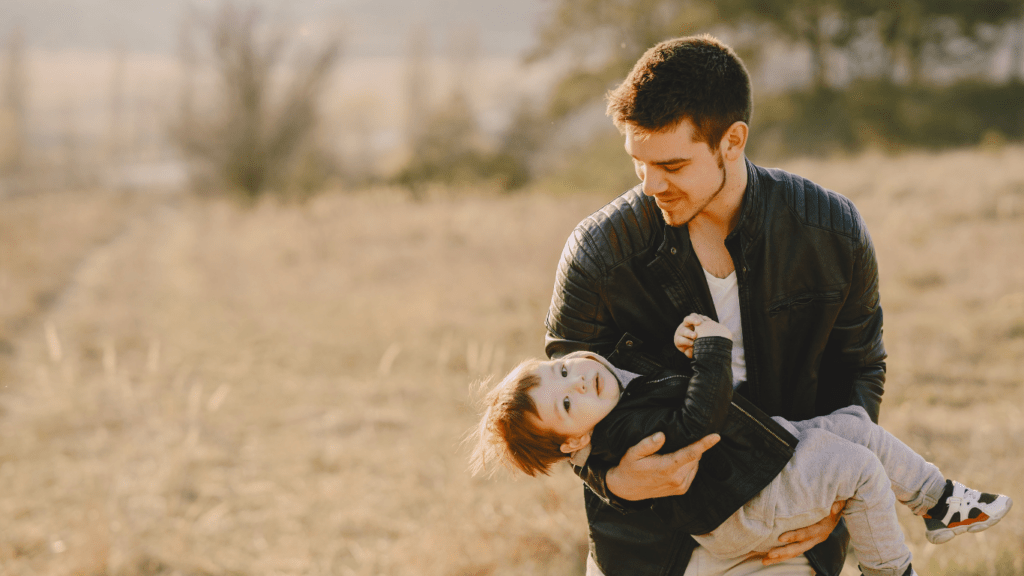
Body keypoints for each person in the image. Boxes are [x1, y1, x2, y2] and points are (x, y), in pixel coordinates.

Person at [544, 34, 888, 575]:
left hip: (790, 520)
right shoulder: (598, 252)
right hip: (648, 538)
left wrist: (836, 493)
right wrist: (609, 479)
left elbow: (859, 369)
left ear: (733, 140)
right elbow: (557, 399)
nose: (652, 184)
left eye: (674, 166)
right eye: (639, 163)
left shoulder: (830, 231)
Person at [468, 314, 1012, 576]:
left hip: (761, 459)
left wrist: (683, 349)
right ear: (575, 441)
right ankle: (891, 572)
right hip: (743, 504)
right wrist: (712, 349)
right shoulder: (624, 434)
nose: (578, 381)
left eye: (563, 370)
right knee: (859, 469)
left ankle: (940, 501)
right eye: (566, 403)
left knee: (854, 424)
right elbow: (700, 415)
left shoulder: (620, 391)